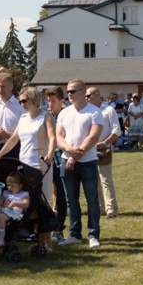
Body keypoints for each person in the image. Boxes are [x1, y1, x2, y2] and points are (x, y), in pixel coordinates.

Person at [0, 86, 57, 250]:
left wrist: (49, 155)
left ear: (33, 99)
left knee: (41, 204)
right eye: (20, 101)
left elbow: (52, 138)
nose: (21, 104)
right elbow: (13, 139)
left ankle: (47, 243)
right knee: (30, 205)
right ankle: (37, 240)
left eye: (24, 100)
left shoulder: (46, 116)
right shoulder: (22, 118)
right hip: (24, 166)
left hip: (40, 165)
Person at [56, 79, 103, 248]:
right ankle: (74, 234)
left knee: (92, 199)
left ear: (83, 92)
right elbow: (58, 137)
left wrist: (74, 156)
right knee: (71, 200)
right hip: (66, 161)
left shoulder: (95, 112)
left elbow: (93, 137)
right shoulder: (64, 113)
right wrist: (69, 151)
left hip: (88, 162)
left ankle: (93, 235)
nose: (69, 94)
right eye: (68, 91)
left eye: (73, 91)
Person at [87, 88, 121, 219]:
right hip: (89, 149)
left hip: (103, 150)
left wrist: (104, 143)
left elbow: (117, 131)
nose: (87, 98)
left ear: (97, 95)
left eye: (89, 95)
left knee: (105, 179)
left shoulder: (108, 110)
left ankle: (111, 208)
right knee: (93, 180)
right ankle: (100, 207)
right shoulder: (88, 112)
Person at [0, 171, 30, 248]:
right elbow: (0, 200)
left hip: (14, 214)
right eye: (8, 185)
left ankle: (1, 240)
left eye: (12, 186)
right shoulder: (6, 193)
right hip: (3, 210)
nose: (9, 188)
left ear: (20, 186)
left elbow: (26, 204)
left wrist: (15, 203)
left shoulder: (23, 194)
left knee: (0, 217)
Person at [45, 86, 67, 242]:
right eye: (48, 101)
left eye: (53, 101)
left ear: (61, 101)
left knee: (61, 196)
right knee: (45, 195)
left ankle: (59, 229)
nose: (50, 104)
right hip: (47, 161)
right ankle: (46, 226)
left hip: (60, 161)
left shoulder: (65, 117)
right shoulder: (47, 116)